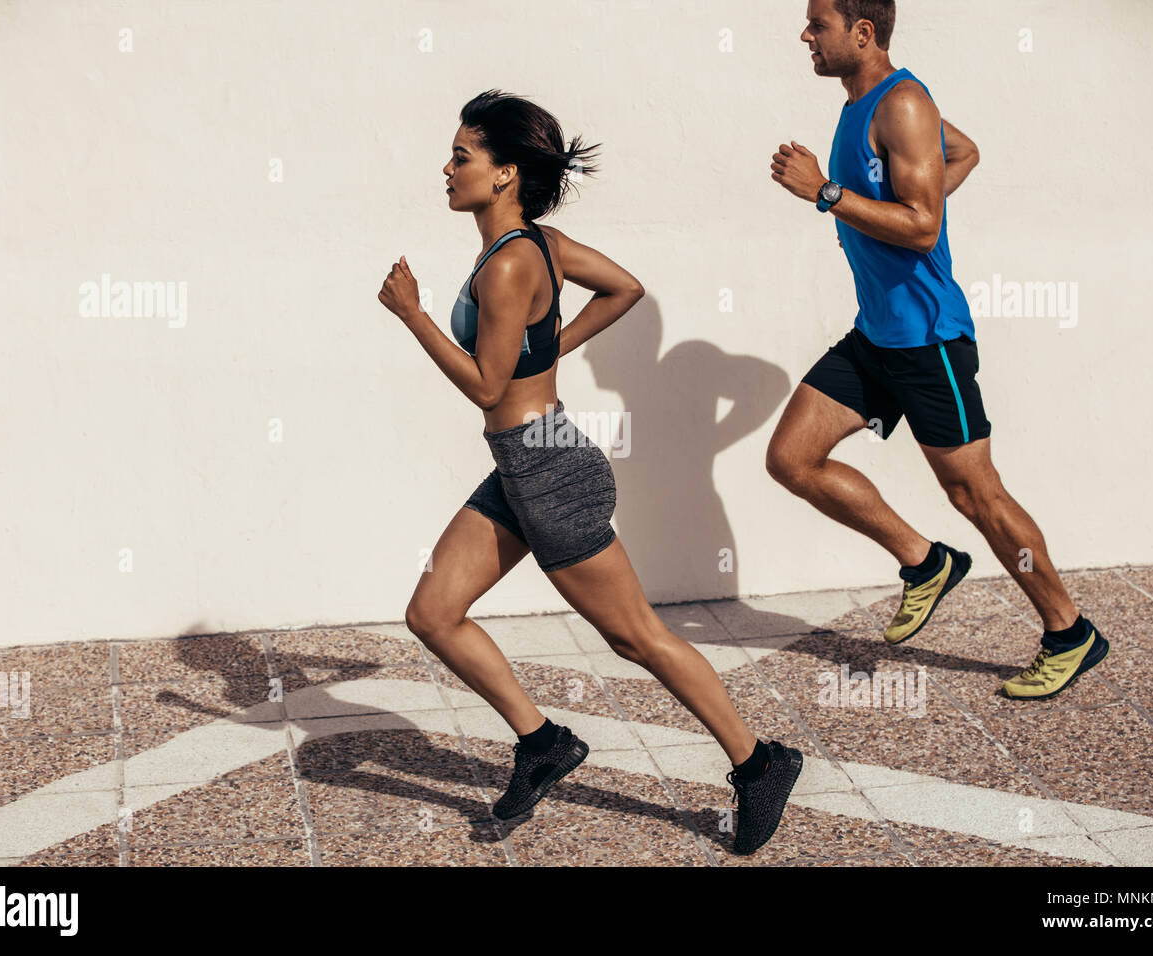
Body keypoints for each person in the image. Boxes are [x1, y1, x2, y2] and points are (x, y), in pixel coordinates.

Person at [377, 90, 801, 853]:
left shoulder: (509, 265)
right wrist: (553, 347)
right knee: (433, 613)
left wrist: (412, 316)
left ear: (505, 174)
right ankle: (542, 744)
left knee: (637, 637)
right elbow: (626, 287)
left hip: (549, 473)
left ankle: (760, 761)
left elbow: (485, 385)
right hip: (524, 466)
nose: (447, 168)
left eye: (462, 156)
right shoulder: (541, 243)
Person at [766, 0, 1109, 700]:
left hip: (929, 340)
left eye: (817, 24)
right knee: (791, 459)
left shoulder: (904, 104)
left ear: (863, 33)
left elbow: (922, 228)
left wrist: (826, 193)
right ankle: (925, 564)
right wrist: (879, 207)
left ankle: (1070, 631)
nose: (805, 35)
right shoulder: (858, 102)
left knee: (975, 493)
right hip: (877, 334)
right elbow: (964, 154)